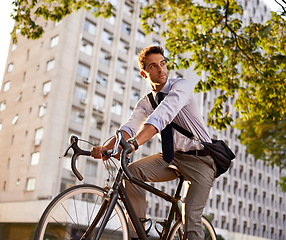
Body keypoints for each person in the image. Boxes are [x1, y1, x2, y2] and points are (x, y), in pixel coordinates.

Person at [91, 46, 216, 240]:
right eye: (153, 66)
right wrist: (106, 148)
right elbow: (129, 128)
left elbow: (161, 116)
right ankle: (139, 232)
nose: (161, 69)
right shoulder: (146, 101)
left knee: (190, 220)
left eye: (163, 63)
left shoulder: (180, 87)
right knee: (130, 173)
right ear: (144, 73)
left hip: (201, 160)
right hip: (172, 158)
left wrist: (133, 144)